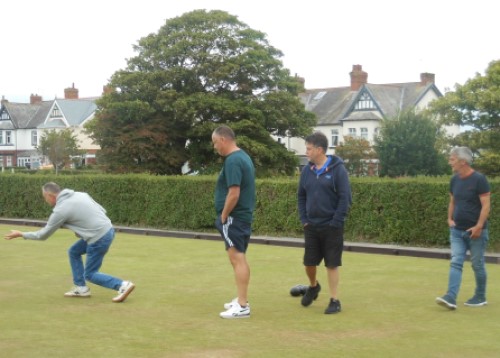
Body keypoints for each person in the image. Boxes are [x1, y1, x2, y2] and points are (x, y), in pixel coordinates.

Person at [4, 182, 135, 303]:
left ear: (50, 195)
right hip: (107, 229)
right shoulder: (81, 194)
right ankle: (81, 288)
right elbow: (102, 211)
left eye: (45, 197)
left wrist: (21, 234)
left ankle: (122, 285)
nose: (45, 200)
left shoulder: (61, 210)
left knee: (90, 274)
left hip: (98, 237)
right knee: (74, 251)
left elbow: (43, 235)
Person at [297, 131, 352, 314]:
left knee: (332, 264)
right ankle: (313, 287)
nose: (306, 152)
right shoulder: (306, 171)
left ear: (319, 150)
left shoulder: (338, 170)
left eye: (309, 149)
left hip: (332, 226)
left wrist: (336, 221)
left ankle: (334, 300)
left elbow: (345, 198)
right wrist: (304, 219)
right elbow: (301, 196)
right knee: (309, 263)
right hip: (311, 225)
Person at [436, 147, 491, 310]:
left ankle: (480, 296)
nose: (449, 162)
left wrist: (479, 226)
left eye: (452, 159)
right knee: (456, 262)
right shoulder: (454, 180)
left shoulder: (479, 179)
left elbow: (486, 205)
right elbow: (453, 202)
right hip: (457, 231)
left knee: (478, 264)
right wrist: (449, 219)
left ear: (463, 162)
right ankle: (451, 297)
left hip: (476, 232)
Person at [212, 125, 256, 319]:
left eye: (215, 143)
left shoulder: (233, 160)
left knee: (237, 258)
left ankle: (243, 305)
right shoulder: (242, 156)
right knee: (238, 257)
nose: (215, 147)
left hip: (234, 217)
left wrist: (224, 215)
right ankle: (240, 299)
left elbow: (234, 192)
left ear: (223, 140)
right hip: (241, 217)